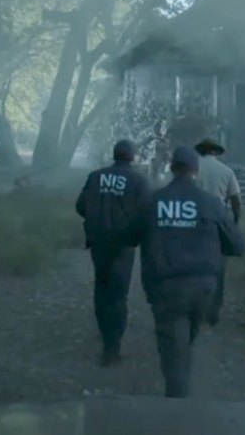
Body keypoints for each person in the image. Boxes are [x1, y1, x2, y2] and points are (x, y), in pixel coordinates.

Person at [140, 146, 245, 398]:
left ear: (172, 168)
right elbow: (237, 246)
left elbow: (131, 235)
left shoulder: (154, 201)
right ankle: (180, 388)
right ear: (196, 171)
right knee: (186, 335)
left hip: (166, 286)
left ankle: (178, 406)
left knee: (173, 346)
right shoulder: (211, 203)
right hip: (203, 287)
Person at [75, 139, 150, 366]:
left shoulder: (95, 176)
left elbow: (80, 206)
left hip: (98, 241)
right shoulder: (138, 180)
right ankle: (112, 348)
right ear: (133, 157)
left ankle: (104, 329)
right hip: (123, 244)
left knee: (101, 286)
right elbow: (147, 212)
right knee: (118, 295)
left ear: (114, 154)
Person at [193, 137, 242, 326]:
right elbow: (236, 202)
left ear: (201, 151)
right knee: (219, 269)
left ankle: (196, 306)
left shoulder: (193, 169)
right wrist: (234, 223)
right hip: (218, 223)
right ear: (215, 152)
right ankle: (213, 312)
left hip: (195, 222)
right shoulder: (227, 171)